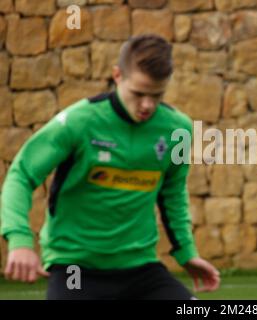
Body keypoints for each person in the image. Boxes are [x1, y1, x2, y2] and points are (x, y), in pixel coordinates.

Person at [1, 34, 220, 299]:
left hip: (141, 270)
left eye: (157, 95)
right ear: (117, 76)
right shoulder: (79, 122)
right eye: (138, 93)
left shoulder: (177, 129)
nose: (147, 105)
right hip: (76, 268)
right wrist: (20, 240)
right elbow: (22, 174)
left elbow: (172, 192)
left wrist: (186, 253)